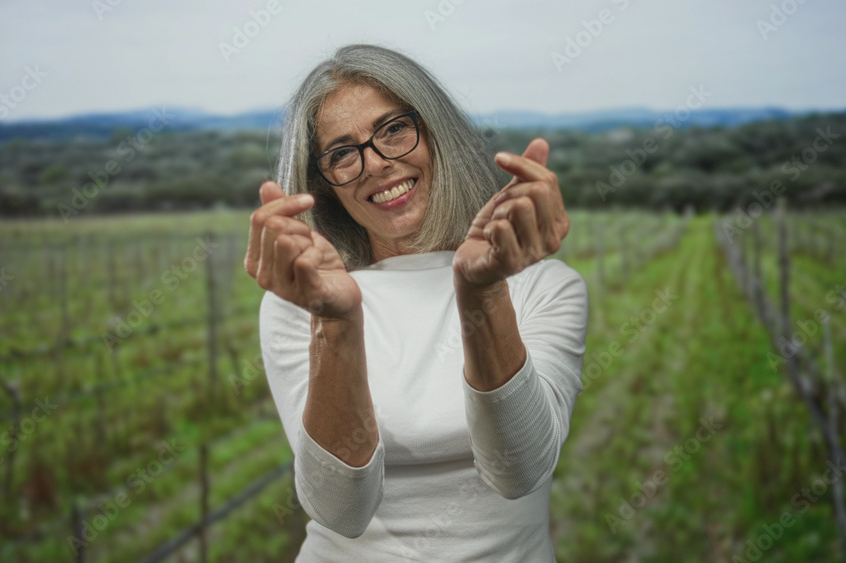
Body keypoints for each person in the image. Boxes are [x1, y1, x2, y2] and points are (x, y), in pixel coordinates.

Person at [244, 44, 588, 562]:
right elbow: (340, 509)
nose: (377, 165)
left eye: (394, 130)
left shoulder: (547, 287)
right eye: (342, 153)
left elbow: (520, 469)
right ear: (323, 187)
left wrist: (481, 289)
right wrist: (337, 321)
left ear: (436, 133)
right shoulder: (302, 306)